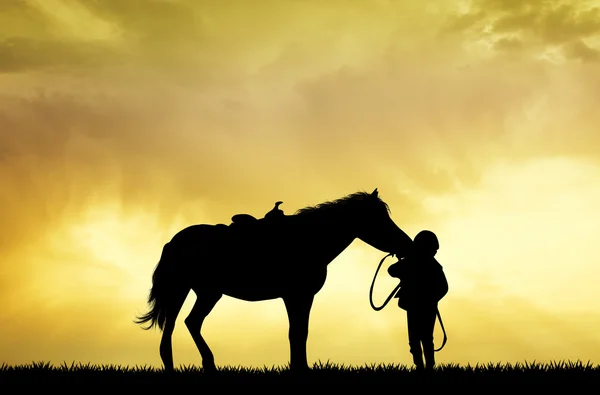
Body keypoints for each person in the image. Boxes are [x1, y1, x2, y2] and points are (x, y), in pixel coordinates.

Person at [387, 230, 448, 371]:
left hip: (421, 306)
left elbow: (443, 288)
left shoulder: (425, 264)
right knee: (419, 339)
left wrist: (431, 299)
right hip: (418, 306)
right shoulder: (414, 262)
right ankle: (422, 367)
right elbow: (392, 270)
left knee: (423, 338)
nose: (434, 253)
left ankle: (427, 367)